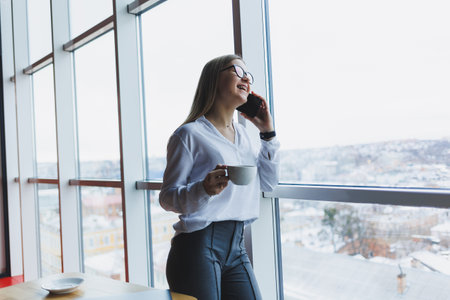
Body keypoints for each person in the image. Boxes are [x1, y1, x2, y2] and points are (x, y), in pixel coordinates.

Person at [159, 54, 280, 300]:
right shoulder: (188, 135)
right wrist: (203, 189)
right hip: (196, 248)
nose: (246, 77)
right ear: (213, 79)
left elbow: (268, 183)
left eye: (248, 75)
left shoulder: (245, 137)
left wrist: (267, 133)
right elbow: (167, 199)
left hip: (237, 249)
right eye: (237, 70)